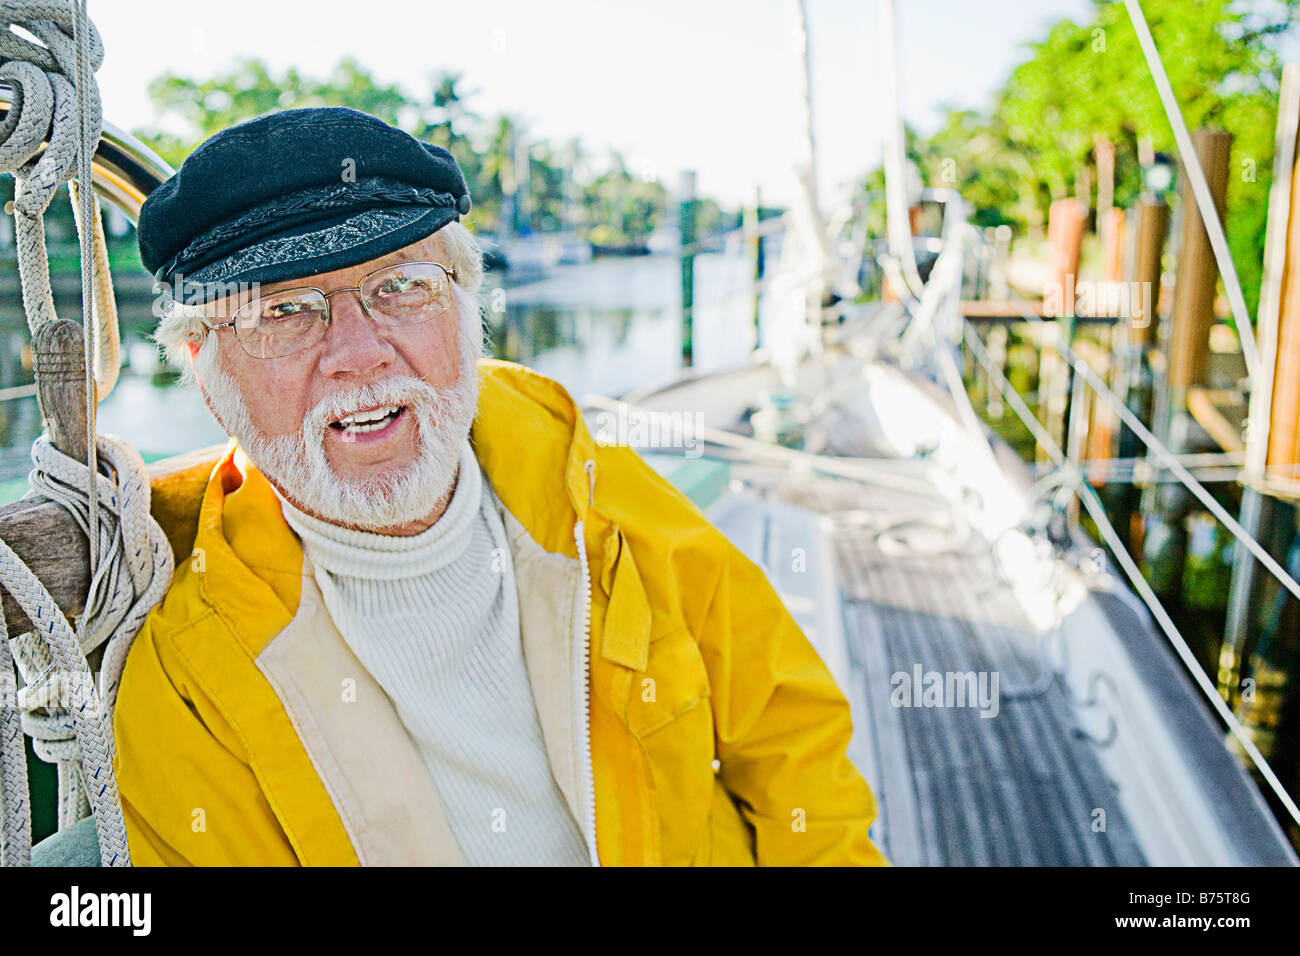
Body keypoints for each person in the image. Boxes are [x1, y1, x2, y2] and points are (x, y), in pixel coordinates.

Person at [115, 106, 888, 866]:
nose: (359, 353)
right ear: (207, 376)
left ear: (466, 308)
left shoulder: (601, 499)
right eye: (281, 311)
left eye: (399, 287)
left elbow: (792, 742)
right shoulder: (189, 695)